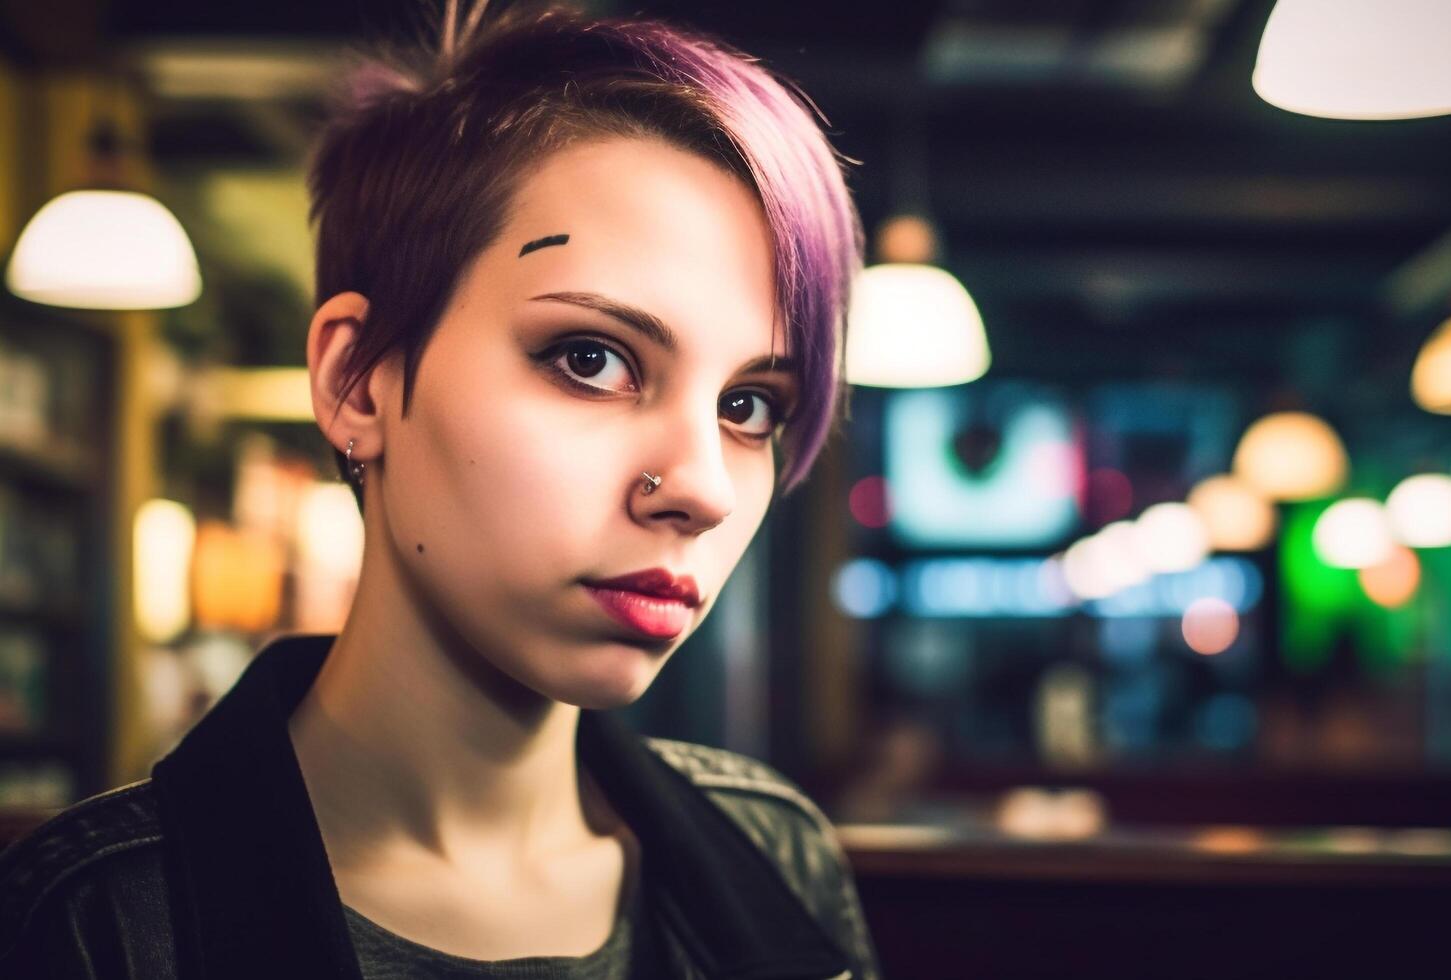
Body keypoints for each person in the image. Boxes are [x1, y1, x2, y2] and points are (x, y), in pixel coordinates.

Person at [0, 2, 878, 977]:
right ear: (356, 380)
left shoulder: (774, 854)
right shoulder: (102, 921)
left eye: (750, 406)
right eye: (590, 357)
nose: (705, 488)